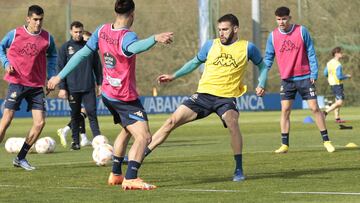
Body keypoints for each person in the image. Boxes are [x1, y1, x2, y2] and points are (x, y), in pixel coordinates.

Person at [47, 0, 173, 190]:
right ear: (132, 13)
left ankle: (115, 174)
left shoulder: (101, 30)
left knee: (128, 130)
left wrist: (59, 76)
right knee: (145, 137)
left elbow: (81, 56)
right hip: (125, 97)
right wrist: (155, 38)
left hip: (108, 94)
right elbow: (135, 48)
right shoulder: (128, 36)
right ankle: (131, 177)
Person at [142, 14, 268, 182]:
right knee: (171, 121)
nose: (221, 33)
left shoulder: (247, 48)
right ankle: (140, 155)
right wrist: (174, 75)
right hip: (203, 95)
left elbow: (263, 66)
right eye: (219, 30)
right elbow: (194, 62)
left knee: (232, 123)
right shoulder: (211, 45)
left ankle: (238, 169)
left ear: (235, 29)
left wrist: (261, 83)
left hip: (226, 98)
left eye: (225, 29)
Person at [263, 6, 335, 153]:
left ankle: (327, 141)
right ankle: (284, 145)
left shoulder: (302, 31)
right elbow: (269, 57)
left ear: (289, 18)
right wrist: (262, 77)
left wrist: (314, 73)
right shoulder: (273, 36)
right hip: (287, 79)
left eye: (284, 19)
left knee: (314, 108)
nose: (281, 22)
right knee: (285, 110)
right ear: (275, 19)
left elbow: (311, 52)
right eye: (278, 19)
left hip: (304, 77)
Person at [0, 5, 57, 170]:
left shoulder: (47, 37)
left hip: (36, 85)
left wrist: (51, 75)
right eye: (35, 19)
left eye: (41, 20)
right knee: (6, 120)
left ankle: (20, 158)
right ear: (28, 19)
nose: (38, 23)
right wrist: (6, 63)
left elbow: (53, 55)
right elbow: (1, 47)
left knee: (40, 123)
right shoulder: (15, 33)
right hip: (17, 82)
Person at [56, 21, 102, 150]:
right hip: (72, 88)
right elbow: (60, 68)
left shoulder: (89, 47)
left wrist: (100, 84)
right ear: (71, 32)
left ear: (83, 31)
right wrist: (62, 88)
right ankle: (75, 142)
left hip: (88, 87)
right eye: (75, 32)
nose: (78, 34)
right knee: (75, 115)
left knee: (92, 113)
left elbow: (97, 67)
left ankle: (98, 141)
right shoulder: (65, 48)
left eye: (80, 32)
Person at [323, 47, 351, 123]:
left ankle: (337, 118)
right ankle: (325, 112)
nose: (342, 54)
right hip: (338, 84)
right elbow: (339, 76)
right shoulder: (338, 64)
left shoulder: (329, 63)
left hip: (332, 84)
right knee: (339, 102)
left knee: (337, 101)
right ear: (336, 54)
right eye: (340, 52)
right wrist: (347, 76)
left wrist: (331, 77)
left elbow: (325, 73)